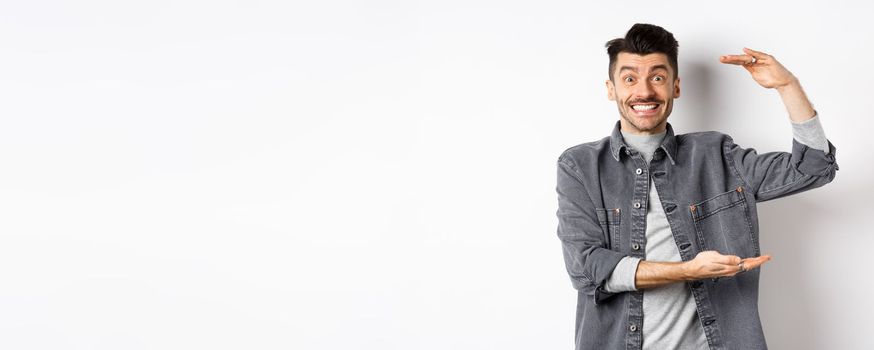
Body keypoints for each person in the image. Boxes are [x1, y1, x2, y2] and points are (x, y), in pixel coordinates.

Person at [554, 23, 838, 350]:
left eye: (657, 78)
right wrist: (689, 270)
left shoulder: (716, 155)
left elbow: (814, 169)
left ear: (675, 87)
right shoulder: (580, 166)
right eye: (630, 79)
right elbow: (586, 268)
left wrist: (788, 86)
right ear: (611, 88)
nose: (644, 92)